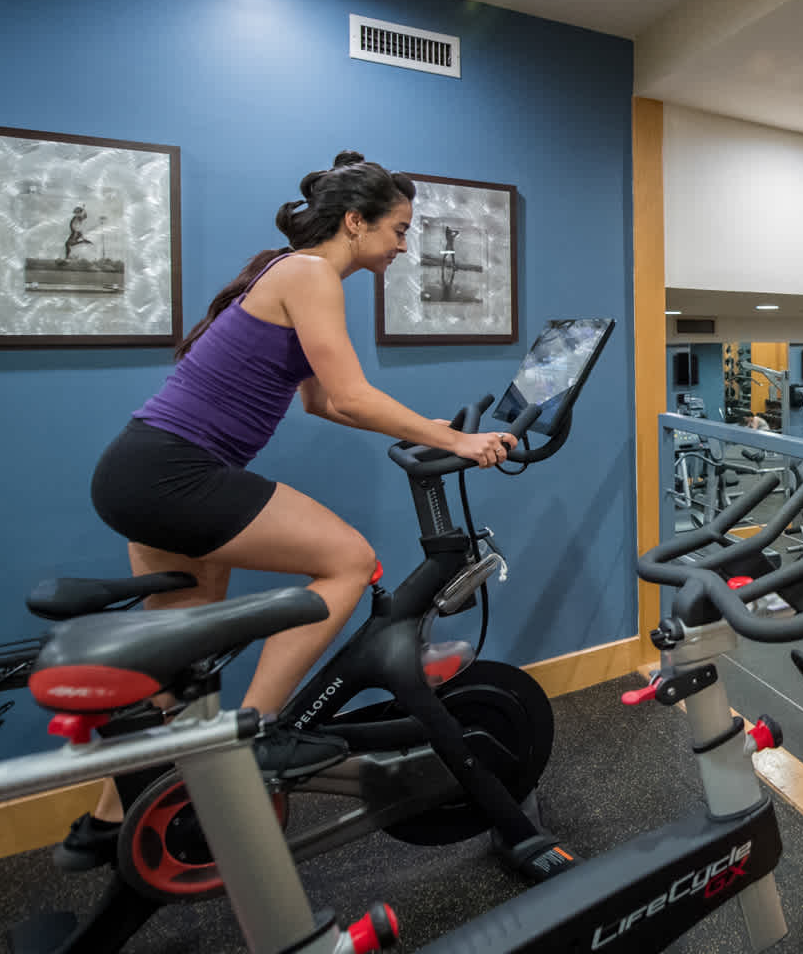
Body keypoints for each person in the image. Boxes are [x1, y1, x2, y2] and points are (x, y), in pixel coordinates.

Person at [60, 152, 516, 870]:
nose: (403, 245)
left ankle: (104, 825)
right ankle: (258, 731)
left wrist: (428, 429)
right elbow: (354, 395)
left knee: (182, 669)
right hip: (174, 472)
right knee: (349, 562)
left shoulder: (287, 273)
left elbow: (325, 401)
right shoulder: (309, 275)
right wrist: (455, 440)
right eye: (398, 229)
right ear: (356, 222)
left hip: (139, 470)